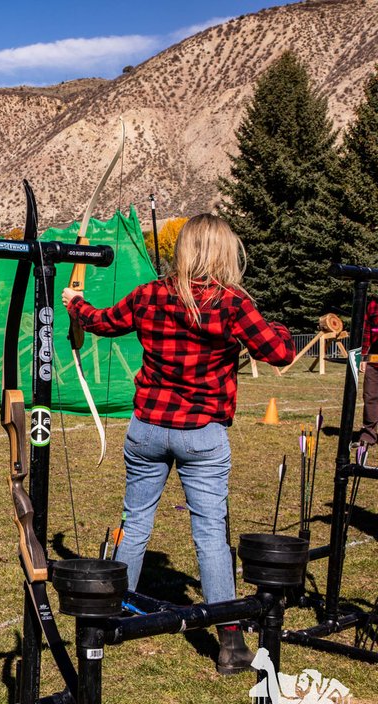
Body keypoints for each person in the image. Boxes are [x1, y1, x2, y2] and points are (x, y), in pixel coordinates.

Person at [61, 214, 295, 675]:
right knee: (210, 533)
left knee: (137, 520)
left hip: (147, 427)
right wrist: (281, 329)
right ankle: (229, 641)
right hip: (201, 434)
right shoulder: (231, 303)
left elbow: (104, 322)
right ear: (225, 252)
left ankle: (111, 615)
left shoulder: (152, 293)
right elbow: (281, 352)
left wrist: (76, 305)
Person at [359, 288, 377, 449]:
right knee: (370, 395)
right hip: (374, 360)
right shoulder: (372, 305)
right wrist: (364, 357)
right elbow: (366, 333)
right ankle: (368, 435)